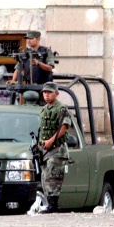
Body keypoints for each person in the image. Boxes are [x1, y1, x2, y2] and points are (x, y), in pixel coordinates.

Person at [37, 82, 71, 214]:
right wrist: (39, 144)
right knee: (45, 176)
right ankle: (50, 204)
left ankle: (53, 205)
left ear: (56, 94)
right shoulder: (44, 109)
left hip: (57, 149)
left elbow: (64, 127)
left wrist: (51, 141)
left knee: (53, 175)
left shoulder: (61, 108)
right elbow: (42, 129)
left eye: (49, 92)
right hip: (45, 149)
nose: (46, 95)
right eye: (44, 92)